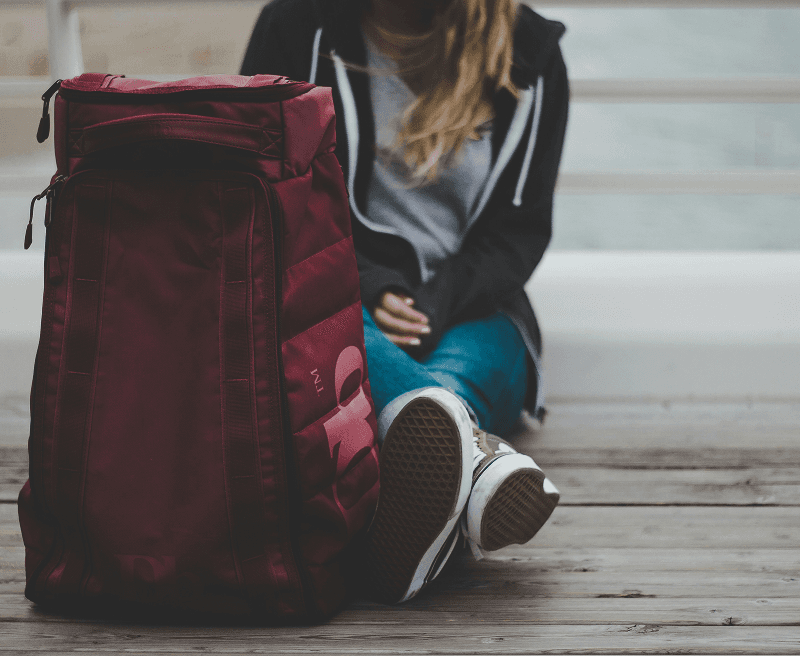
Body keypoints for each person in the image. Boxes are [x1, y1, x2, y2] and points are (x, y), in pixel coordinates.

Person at [241, 0, 569, 604]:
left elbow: (519, 234)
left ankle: (434, 469)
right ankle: (474, 468)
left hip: (476, 307)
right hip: (328, 292)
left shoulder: (531, 51)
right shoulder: (298, 26)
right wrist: (366, 281)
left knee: (454, 378)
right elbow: (258, 186)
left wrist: (438, 300)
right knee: (333, 335)